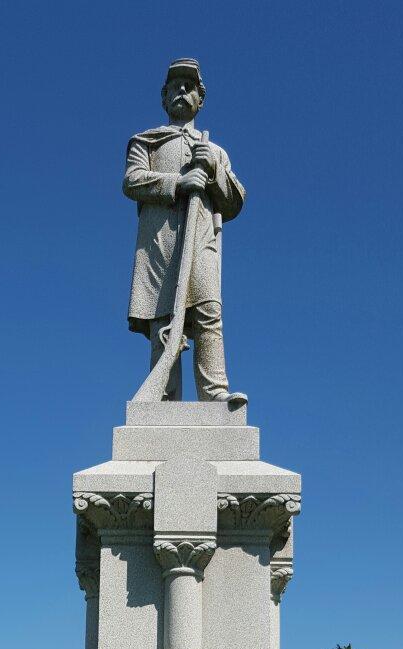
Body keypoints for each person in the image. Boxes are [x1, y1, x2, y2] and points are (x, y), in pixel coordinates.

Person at [124, 58, 246, 403]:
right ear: (164, 97)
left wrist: (213, 171)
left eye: (188, 86)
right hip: (160, 242)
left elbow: (236, 201)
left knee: (208, 310)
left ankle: (215, 393)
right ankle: (164, 397)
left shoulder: (215, 151)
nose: (181, 90)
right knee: (164, 320)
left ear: (200, 99)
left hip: (201, 239)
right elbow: (132, 181)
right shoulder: (146, 141)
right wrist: (179, 182)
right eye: (175, 85)